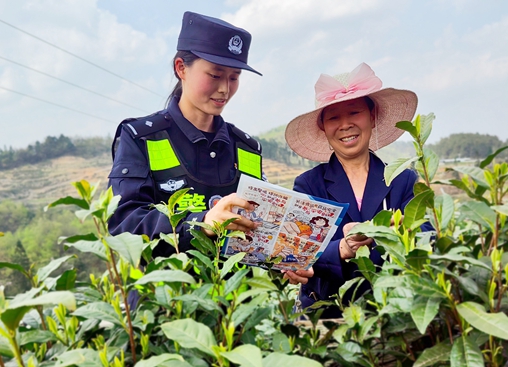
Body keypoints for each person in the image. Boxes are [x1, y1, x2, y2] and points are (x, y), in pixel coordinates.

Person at [108, 11, 264, 258]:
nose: (225, 89)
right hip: (168, 293)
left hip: (236, 295)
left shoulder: (246, 147)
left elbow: (257, 225)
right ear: (181, 68)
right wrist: (202, 224)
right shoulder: (141, 138)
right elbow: (124, 226)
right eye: (215, 75)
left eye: (234, 78)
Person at [283, 62, 430, 318]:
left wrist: (387, 231)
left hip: (396, 315)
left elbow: (427, 237)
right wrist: (343, 248)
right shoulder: (309, 185)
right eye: (333, 117)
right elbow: (297, 252)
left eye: (354, 112)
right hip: (328, 316)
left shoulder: (403, 180)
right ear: (323, 127)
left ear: (372, 117)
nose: (345, 125)